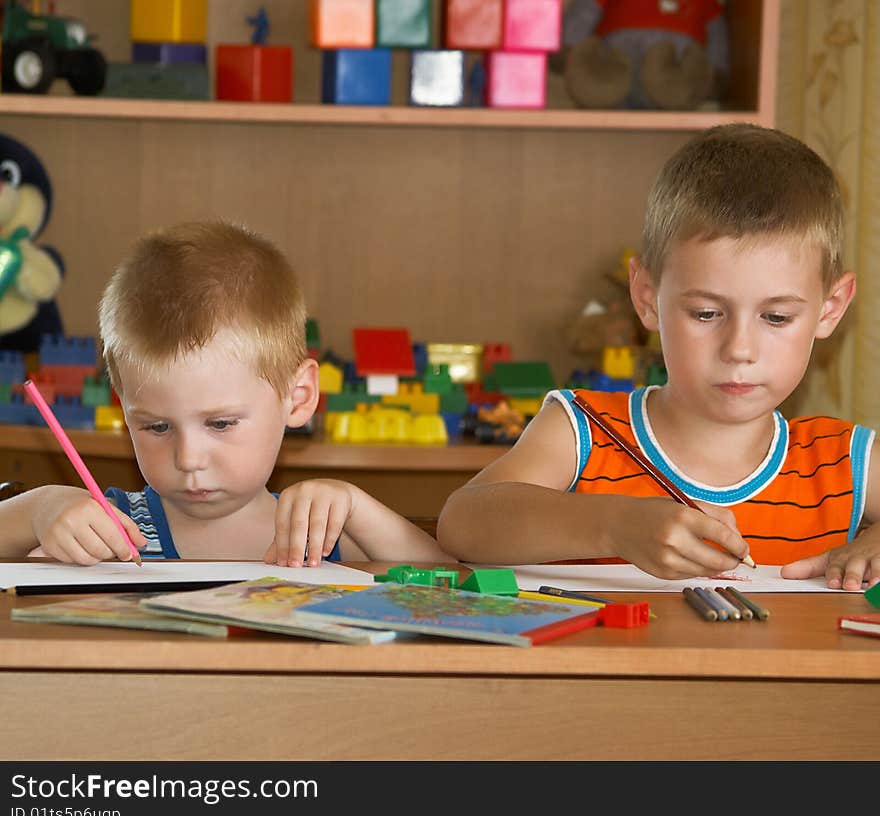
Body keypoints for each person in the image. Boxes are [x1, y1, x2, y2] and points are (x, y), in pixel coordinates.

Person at [438, 123, 878, 591]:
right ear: (647, 297)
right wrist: (614, 524)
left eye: (776, 318)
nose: (740, 350)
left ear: (830, 309)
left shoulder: (842, 463)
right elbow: (462, 521)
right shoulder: (584, 430)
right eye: (706, 313)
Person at [0, 220, 450, 567]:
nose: (189, 458)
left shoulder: (321, 531)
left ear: (297, 397)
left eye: (220, 423)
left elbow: (457, 586)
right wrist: (41, 508)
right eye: (157, 426)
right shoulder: (107, 526)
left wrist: (354, 505)